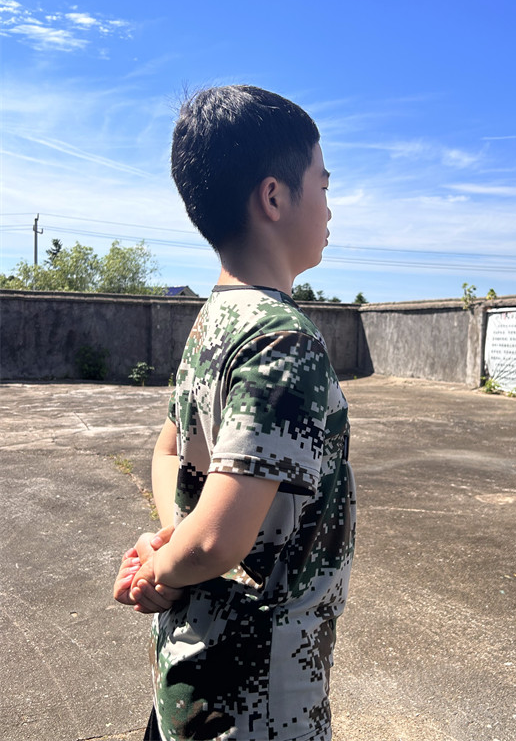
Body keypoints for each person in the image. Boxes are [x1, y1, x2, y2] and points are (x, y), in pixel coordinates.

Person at [113, 85, 356, 741]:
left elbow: (171, 450)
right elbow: (217, 542)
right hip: (259, 697)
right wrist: (163, 566)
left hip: (192, 671)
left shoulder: (214, 320)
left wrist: (167, 542)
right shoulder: (281, 338)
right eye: (323, 184)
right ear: (274, 197)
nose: (330, 205)